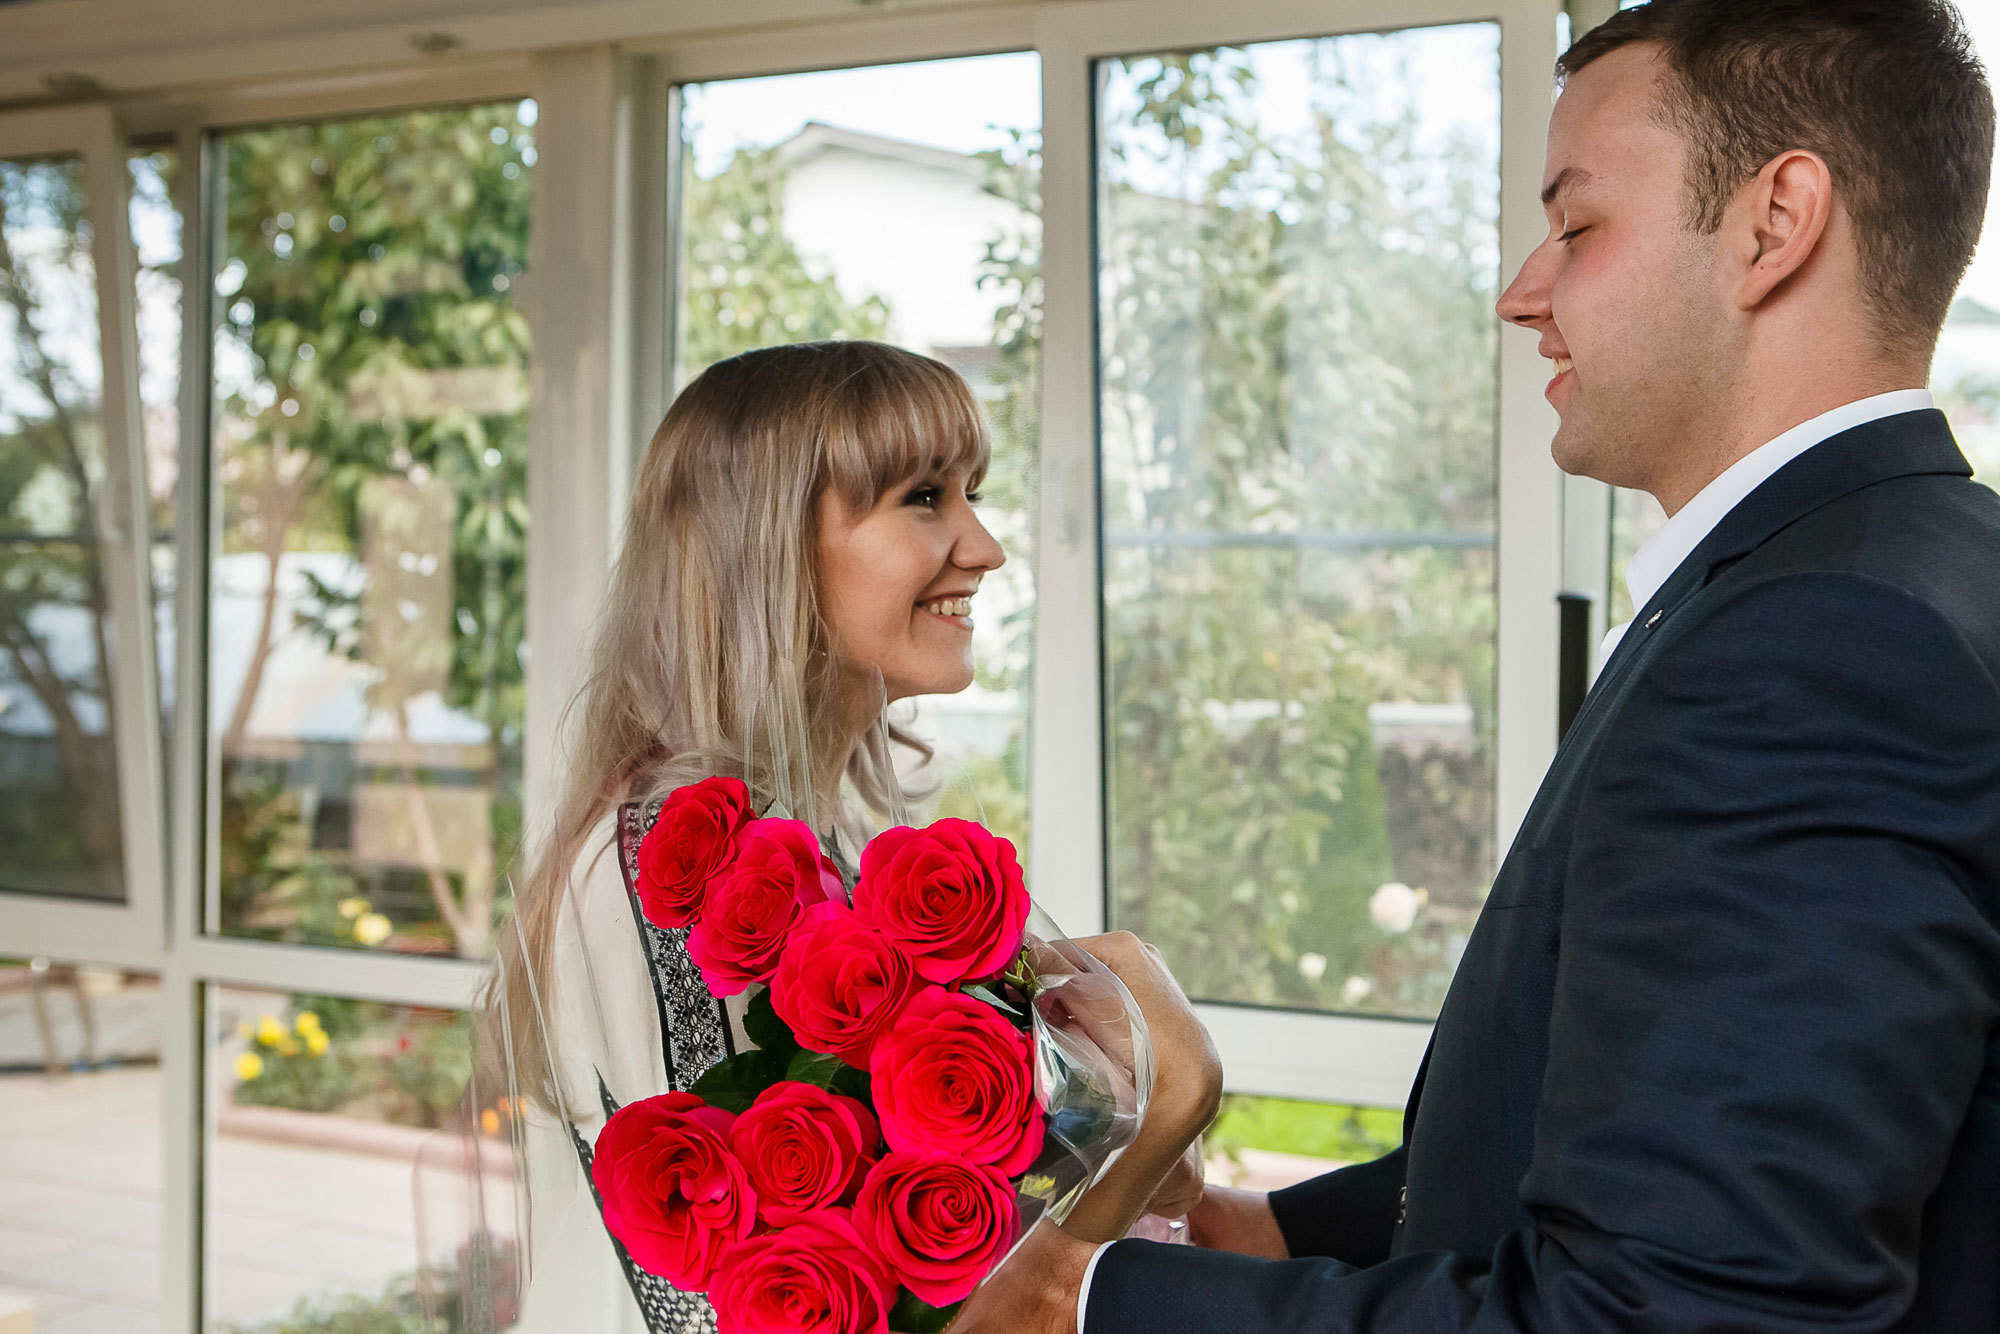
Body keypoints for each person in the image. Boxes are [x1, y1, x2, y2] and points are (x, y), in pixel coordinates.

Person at [955, 1, 2000, 1329]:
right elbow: (1693, 1117)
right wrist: (1275, 1229)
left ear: (1775, 220)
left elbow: (1684, 1307)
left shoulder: (1817, 648)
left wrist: (1095, 1301)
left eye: (1575, 225)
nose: (1522, 289)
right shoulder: (1919, 567)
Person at [488, 339, 1011, 1330]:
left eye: (970, 494)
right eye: (925, 497)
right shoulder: (661, 861)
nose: (983, 546)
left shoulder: (830, 835)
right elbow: (708, 1300)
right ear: (765, 543)